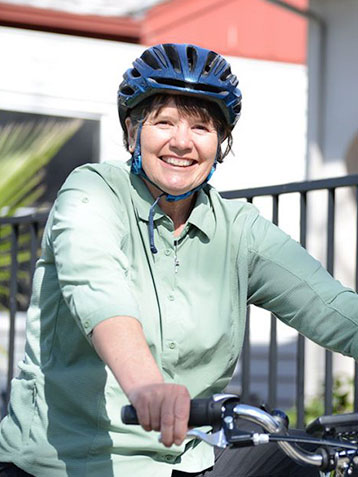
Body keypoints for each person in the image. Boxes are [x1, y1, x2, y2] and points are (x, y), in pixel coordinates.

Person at [0, 43, 358, 477]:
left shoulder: (239, 229)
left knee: (305, 463)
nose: (182, 142)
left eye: (202, 127)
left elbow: (334, 310)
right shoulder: (92, 192)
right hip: (64, 463)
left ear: (221, 143)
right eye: (164, 122)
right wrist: (148, 386)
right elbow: (97, 290)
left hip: (185, 460)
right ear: (132, 131)